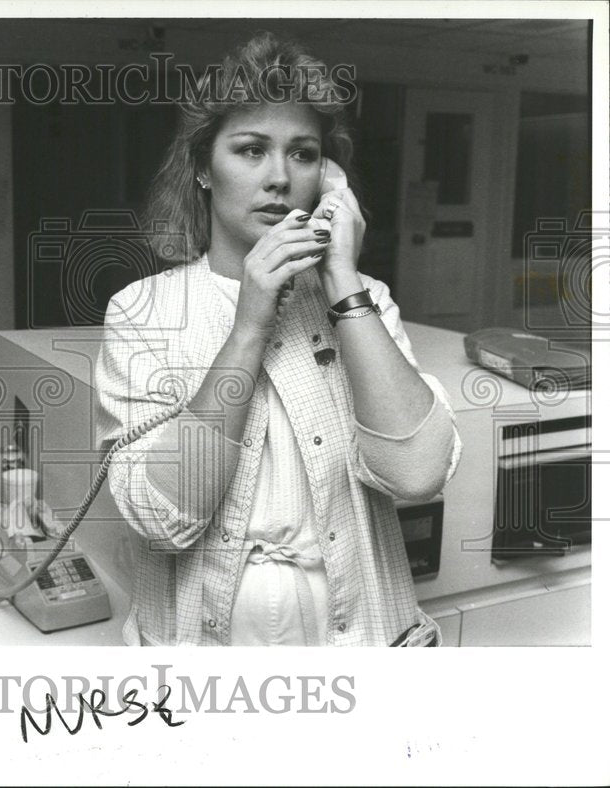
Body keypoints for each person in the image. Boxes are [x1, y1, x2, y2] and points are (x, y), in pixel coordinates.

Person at [94, 33, 461, 647]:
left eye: (303, 154)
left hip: (358, 638)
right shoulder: (143, 311)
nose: (279, 178)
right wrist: (248, 328)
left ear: (327, 177)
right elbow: (162, 519)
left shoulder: (366, 301)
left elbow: (418, 474)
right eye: (251, 149)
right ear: (204, 170)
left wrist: (342, 281)